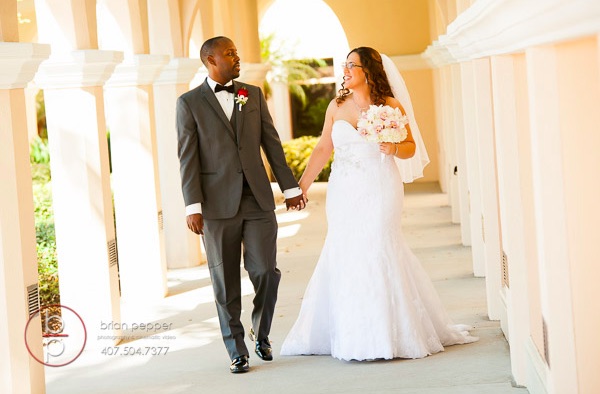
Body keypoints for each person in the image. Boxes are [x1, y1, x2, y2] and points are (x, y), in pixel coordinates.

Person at [280, 47, 478, 361]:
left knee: (379, 245)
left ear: (368, 71)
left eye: (351, 65)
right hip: (344, 191)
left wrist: (392, 146)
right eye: (344, 65)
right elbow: (322, 148)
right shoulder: (337, 105)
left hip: (381, 187)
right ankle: (351, 331)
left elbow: (410, 147)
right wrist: (300, 187)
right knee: (344, 249)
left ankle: (388, 333)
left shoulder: (389, 105)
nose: (345, 70)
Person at [176, 36, 306, 373]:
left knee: (265, 270)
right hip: (217, 206)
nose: (237, 57)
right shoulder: (188, 103)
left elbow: (271, 144)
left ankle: (261, 333)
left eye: (236, 51)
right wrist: (193, 205)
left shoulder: (251, 94)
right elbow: (187, 158)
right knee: (225, 281)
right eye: (230, 53)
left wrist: (290, 188)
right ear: (210, 59)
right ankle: (236, 349)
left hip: (258, 198)